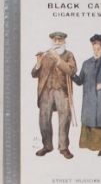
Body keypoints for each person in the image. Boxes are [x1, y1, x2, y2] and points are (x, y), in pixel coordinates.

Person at [32, 31, 77, 159]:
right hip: (46, 91)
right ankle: (47, 146)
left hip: (61, 90)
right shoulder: (45, 56)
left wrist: (58, 59)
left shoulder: (68, 55)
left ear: (64, 42)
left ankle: (63, 147)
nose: (57, 42)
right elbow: (34, 74)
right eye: (55, 40)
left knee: (65, 118)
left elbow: (72, 71)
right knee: (44, 119)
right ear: (52, 41)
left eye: (60, 40)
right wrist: (38, 64)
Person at [72, 34, 101, 156]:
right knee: (90, 121)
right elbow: (80, 81)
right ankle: (90, 145)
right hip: (89, 100)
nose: (96, 51)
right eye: (94, 49)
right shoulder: (86, 63)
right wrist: (71, 75)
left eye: (99, 49)